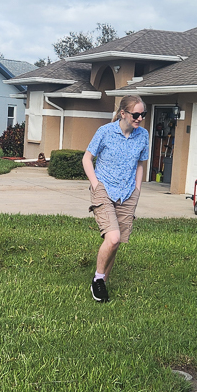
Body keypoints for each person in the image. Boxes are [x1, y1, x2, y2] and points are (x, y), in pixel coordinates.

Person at [83, 95, 150, 303]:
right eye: (135, 114)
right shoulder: (105, 132)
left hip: (127, 193)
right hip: (103, 188)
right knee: (112, 238)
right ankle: (98, 280)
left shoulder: (143, 135)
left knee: (116, 241)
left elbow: (140, 163)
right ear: (123, 113)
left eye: (143, 114)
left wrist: (137, 189)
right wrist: (95, 184)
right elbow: (87, 158)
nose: (139, 118)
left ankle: (103, 281)